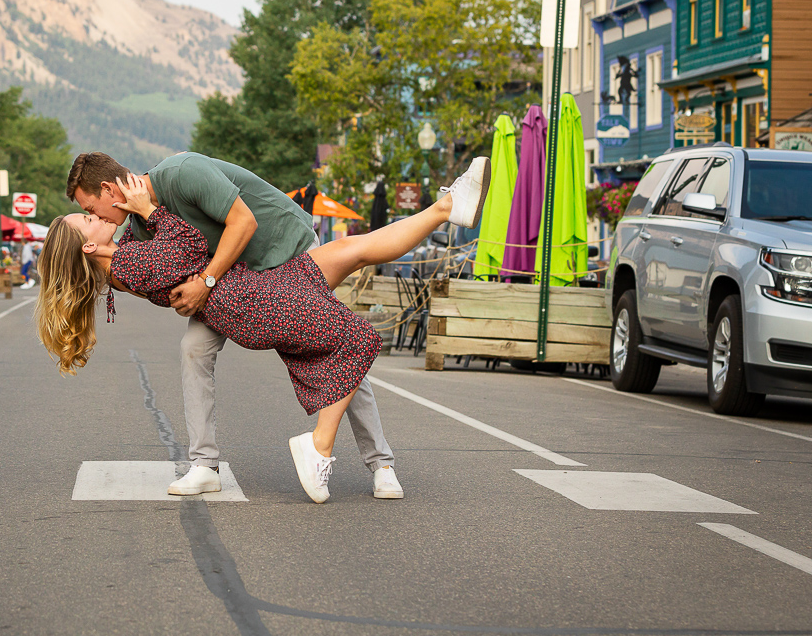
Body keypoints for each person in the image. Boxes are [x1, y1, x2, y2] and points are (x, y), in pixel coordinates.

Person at [39, 162, 488, 503]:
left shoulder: (180, 175)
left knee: (353, 260)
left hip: (274, 257)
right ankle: (215, 463)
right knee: (338, 342)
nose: (90, 214)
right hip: (246, 296)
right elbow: (179, 254)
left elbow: (242, 225)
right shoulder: (130, 242)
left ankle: (380, 464)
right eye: (85, 217)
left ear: (106, 190)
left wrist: (193, 270)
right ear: (89, 244)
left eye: (87, 208)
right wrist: (153, 221)